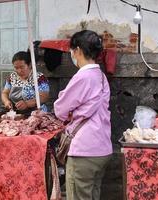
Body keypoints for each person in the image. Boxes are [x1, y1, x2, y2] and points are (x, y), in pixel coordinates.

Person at [54, 30, 112, 200]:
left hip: (84, 151)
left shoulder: (83, 76)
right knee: (93, 195)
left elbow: (60, 110)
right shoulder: (101, 76)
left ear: (77, 50)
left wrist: (71, 112)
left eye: (71, 50)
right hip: (102, 148)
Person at [1, 51, 50, 116]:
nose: (19, 71)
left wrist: (27, 103)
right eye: (16, 68)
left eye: (22, 67)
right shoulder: (12, 77)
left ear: (29, 65)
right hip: (17, 115)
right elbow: (5, 93)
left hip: (37, 114)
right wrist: (6, 101)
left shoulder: (39, 78)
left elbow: (44, 97)